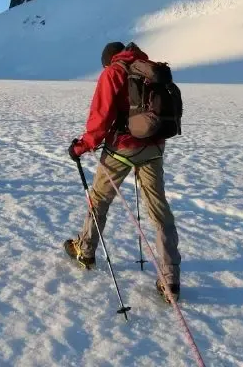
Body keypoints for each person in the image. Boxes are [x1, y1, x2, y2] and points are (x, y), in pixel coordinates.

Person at [64, 42, 182, 302]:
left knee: (99, 200)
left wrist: (82, 147)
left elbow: (100, 118)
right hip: (153, 147)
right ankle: (170, 277)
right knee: (159, 210)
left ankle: (85, 250)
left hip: (122, 149)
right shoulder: (148, 69)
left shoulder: (112, 73)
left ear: (108, 60)